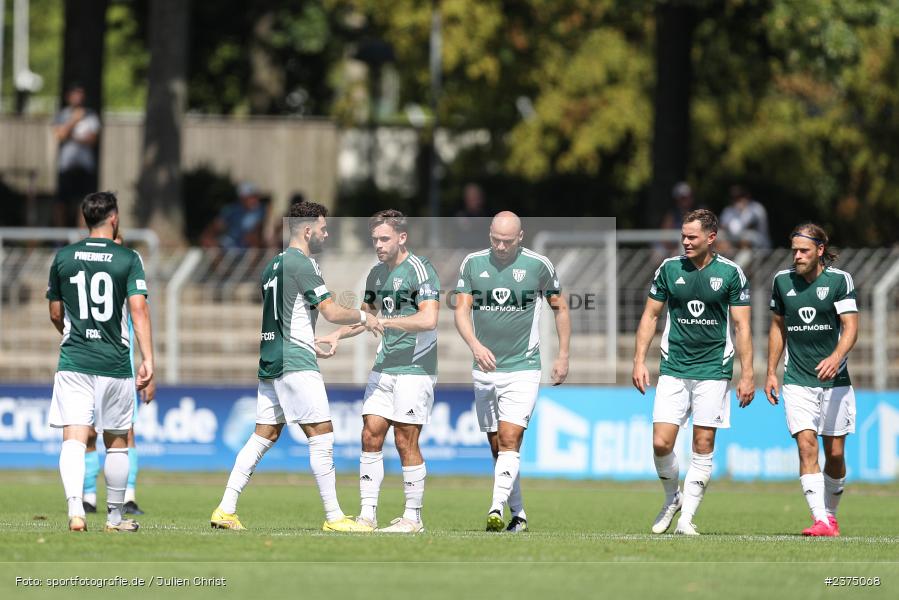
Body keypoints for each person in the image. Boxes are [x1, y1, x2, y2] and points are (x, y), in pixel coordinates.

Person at [210, 201, 382, 532]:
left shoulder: (271, 266)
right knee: (322, 436)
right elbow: (331, 312)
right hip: (293, 361)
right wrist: (365, 315)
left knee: (263, 435)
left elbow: (286, 318)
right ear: (307, 230)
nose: (326, 233)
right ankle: (335, 518)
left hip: (273, 357)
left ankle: (225, 509)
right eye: (322, 227)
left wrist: (310, 344)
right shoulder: (302, 264)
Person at [632, 208, 755, 536]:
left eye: (691, 237)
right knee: (661, 443)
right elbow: (650, 316)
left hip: (714, 369)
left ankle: (687, 518)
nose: (684, 242)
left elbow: (742, 326)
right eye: (683, 236)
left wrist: (747, 373)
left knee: (703, 442)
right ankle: (673, 497)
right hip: (673, 367)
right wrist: (638, 360)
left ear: (711, 238)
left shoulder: (731, 274)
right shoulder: (669, 269)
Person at [317, 210, 440, 533]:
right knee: (370, 433)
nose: (379, 245)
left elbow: (428, 319)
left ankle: (413, 518)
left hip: (415, 367)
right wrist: (337, 335)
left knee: (404, 439)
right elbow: (366, 318)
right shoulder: (375, 275)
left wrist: (387, 322)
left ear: (402, 238)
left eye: (384, 239)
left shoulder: (421, 270)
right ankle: (367, 515)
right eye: (374, 239)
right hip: (384, 366)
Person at [453, 211, 570, 533]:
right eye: (495, 239)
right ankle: (518, 514)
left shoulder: (538, 265)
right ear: (489, 234)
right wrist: (475, 346)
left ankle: (495, 508)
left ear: (521, 237)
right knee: (497, 445)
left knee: (509, 438)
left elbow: (561, 309)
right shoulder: (473, 264)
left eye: (507, 241)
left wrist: (563, 355)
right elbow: (461, 311)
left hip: (523, 367)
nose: (501, 246)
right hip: (484, 368)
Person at [46, 192, 154, 532]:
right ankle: (115, 517)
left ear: (85, 220)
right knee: (118, 440)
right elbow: (138, 310)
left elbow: (54, 312)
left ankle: (76, 509)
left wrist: (73, 333)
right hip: (115, 362)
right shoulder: (128, 258)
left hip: (74, 360)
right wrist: (149, 359)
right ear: (114, 218)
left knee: (74, 438)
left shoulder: (63, 257)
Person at [765, 223, 858, 537]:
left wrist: (835, 357)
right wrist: (771, 372)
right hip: (797, 379)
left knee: (835, 454)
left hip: (836, 381)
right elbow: (777, 328)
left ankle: (830, 515)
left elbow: (850, 327)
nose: (798, 256)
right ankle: (820, 519)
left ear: (820, 250)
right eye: (794, 251)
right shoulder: (781, 282)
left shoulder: (839, 281)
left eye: (804, 250)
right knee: (806, 447)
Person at [83, 234, 154, 516]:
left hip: (119, 368)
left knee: (125, 430)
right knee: (87, 432)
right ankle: (87, 497)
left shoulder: (126, 283)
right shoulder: (86, 282)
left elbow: (139, 323)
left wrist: (147, 367)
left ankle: (128, 497)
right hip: (87, 364)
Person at [53, 84, 101, 228]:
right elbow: (60, 135)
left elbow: (92, 139)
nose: (77, 97)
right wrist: (74, 120)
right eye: (75, 94)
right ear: (68, 97)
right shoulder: (62, 115)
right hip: (66, 166)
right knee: (61, 203)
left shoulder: (91, 115)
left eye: (80, 94)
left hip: (85, 167)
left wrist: (72, 136)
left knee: (85, 203)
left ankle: (81, 238)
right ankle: (59, 239)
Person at [200, 181, 267, 248]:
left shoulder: (261, 211)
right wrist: (208, 238)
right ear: (242, 198)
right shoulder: (231, 210)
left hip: (249, 249)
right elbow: (217, 225)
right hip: (230, 245)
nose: (255, 200)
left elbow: (259, 234)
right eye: (251, 197)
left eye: (256, 196)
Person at [718, 185, 771, 252]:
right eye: (734, 198)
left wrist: (742, 210)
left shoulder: (756, 208)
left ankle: (740, 262)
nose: (737, 200)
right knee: (718, 235)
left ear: (747, 196)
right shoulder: (728, 210)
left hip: (759, 242)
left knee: (746, 237)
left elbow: (750, 226)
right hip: (733, 240)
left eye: (740, 197)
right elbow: (723, 227)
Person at [453, 183, 488, 248]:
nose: (475, 201)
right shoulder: (460, 216)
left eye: (476, 198)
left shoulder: (486, 216)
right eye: (471, 198)